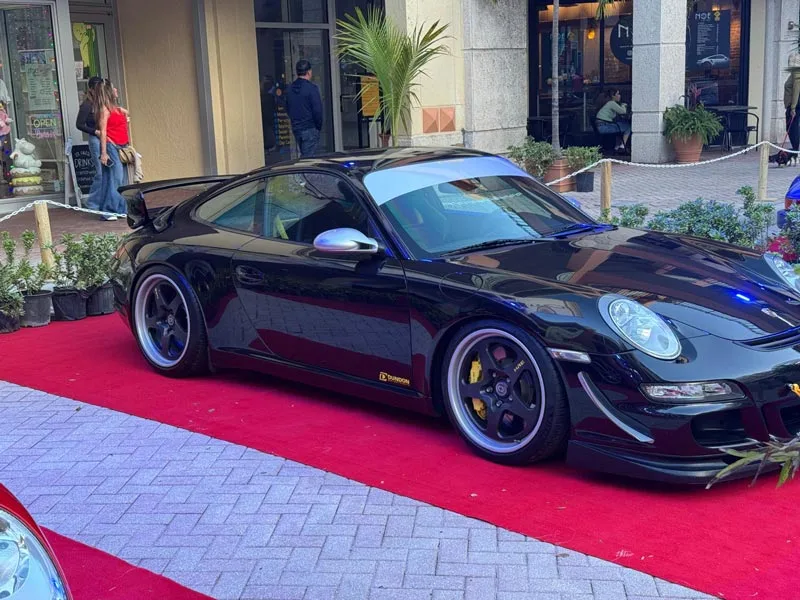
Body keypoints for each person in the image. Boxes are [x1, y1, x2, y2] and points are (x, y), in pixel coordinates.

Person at [93, 79, 129, 221]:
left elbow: (126, 114)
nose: (116, 90)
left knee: (118, 179)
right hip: (111, 146)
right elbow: (103, 131)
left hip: (122, 145)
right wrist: (103, 153)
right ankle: (109, 210)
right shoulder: (105, 110)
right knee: (116, 178)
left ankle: (119, 209)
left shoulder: (116, 109)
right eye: (113, 88)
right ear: (108, 91)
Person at [75, 76, 104, 209]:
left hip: (106, 138)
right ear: (91, 89)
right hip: (95, 138)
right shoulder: (87, 105)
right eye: (97, 89)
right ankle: (92, 201)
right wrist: (94, 131)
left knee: (109, 171)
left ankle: (102, 200)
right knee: (100, 172)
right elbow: (79, 124)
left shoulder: (103, 103)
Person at [286, 59, 323, 157]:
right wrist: (318, 127)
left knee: (305, 155)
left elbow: (288, 108)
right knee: (308, 159)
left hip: (297, 128)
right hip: (310, 128)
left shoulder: (290, 89)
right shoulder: (311, 89)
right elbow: (317, 111)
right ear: (309, 72)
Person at [595, 88, 631, 153]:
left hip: (601, 126)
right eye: (618, 94)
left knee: (620, 127)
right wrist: (623, 105)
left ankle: (617, 146)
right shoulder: (611, 103)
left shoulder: (609, 103)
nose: (620, 96)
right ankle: (622, 146)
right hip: (604, 127)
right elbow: (623, 112)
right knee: (628, 127)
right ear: (613, 96)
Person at [784, 52, 800, 164]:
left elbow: (796, 90)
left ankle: (795, 152)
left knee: (792, 129)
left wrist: (793, 107)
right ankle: (795, 152)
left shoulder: (796, 73)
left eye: (790, 60)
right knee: (793, 129)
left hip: (795, 105)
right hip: (794, 105)